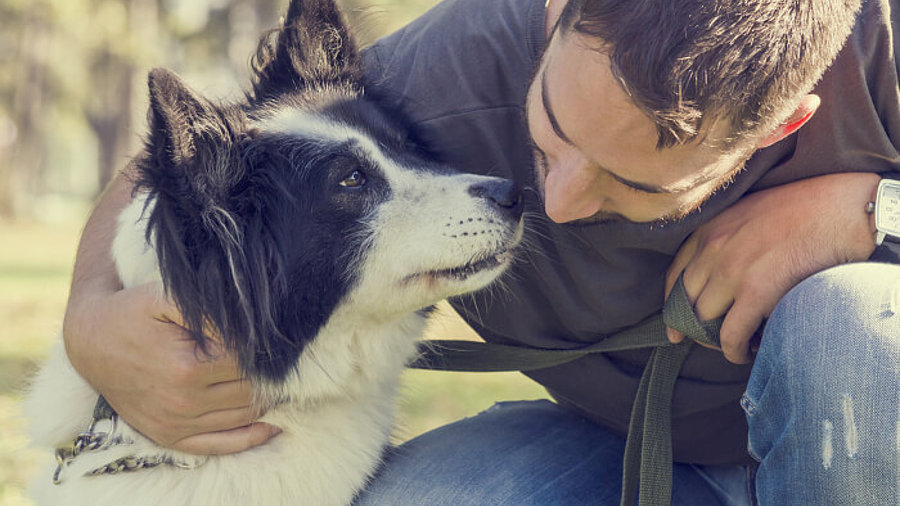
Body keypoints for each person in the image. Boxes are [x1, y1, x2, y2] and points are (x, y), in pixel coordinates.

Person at [62, 0, 900, 504]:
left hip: (868, 450)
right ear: (555, 11)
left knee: (849, 326)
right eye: (551, 134)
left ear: (782, 124)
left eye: (629, 184)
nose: (559, 202)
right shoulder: (453, 63)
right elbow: (207, 154)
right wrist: (89, 319)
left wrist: (865, 207)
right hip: (612, 453)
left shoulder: (880, 51)